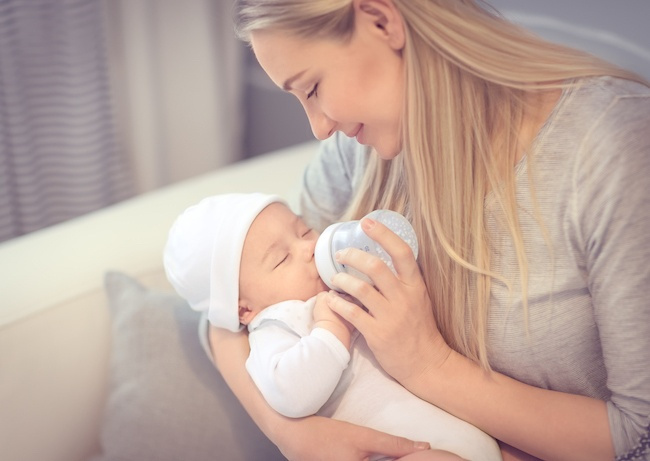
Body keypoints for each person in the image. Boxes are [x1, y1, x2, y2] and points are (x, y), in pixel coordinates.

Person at [207, 1, 650, 460]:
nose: (319, 127)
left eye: (314, 87)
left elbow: (639, 438)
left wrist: (427, 364)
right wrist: (292, 434)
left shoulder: (615, 147)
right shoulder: (358, 151)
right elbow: (230, 301)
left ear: (382, 20)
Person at [163, 192, 503, 461]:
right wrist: (330, 328)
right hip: (401, 450)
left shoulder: (338, 282)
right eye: (282, 258)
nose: (308, 247)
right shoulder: (275, 326)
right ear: (245, 309)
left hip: (466, 432)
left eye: (303, 230)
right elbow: (290, 394)